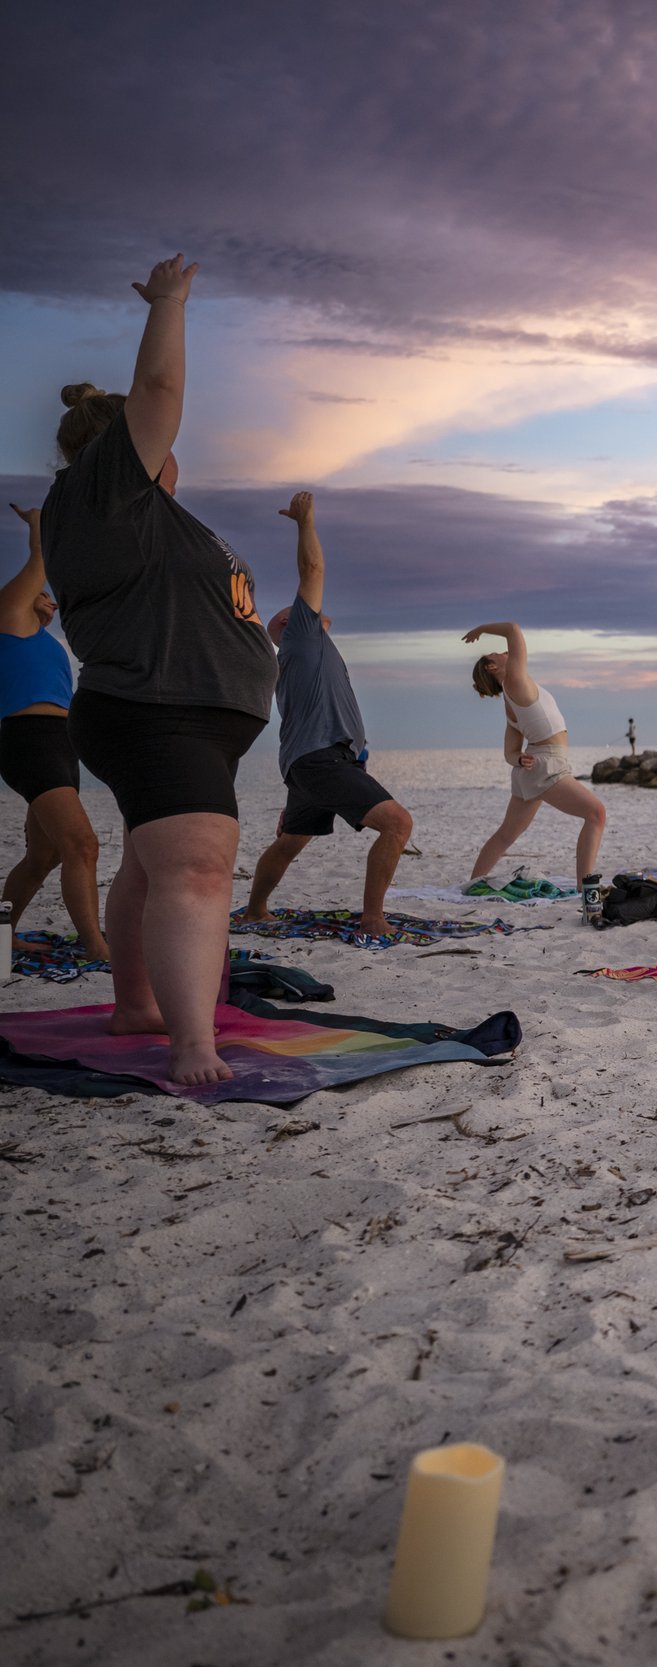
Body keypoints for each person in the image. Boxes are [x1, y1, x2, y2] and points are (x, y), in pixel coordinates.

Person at [40, 254, 276, 1084]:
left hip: (190, 715)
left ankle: (138, 1004)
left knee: (153, 865)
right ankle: (191, 1045)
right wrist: (169, 304)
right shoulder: (104, 490)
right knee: (199, 868)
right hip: (155, 708)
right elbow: (161, 390)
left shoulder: (151, 518)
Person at [239, 492, 414, 938]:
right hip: (321, 759)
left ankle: (255, 910)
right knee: (398, 824)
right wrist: (305, 523)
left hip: (309, 762)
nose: (313, 609)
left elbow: (327, 621)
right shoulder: (300, 636)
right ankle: (373, 919)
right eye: (300, 610)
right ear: (289, 623)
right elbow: (313, 570)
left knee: (290, 841)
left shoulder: (302, 652)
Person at [1, 504, 107, 959]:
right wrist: (40, 524)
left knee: (44, 857)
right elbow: (39, 561)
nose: (51, 600)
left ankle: (1, 937)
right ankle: (96, 946)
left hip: (60, 743)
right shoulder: (7, 614)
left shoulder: (42, 639)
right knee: (82, 845)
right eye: (42, 594)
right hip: (30, 740)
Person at [463, 621, 608, 890]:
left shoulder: (511, 698)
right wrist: (481, 629)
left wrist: (519, 759)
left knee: (506, 835)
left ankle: (472, 884)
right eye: (496, 654)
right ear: (492, 668)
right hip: (547, 765)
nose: (503, 652)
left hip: (532, 768)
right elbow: (513, 630)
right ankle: (585, 888)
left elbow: (509, 751)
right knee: (596, 814)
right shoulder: (514, 681)